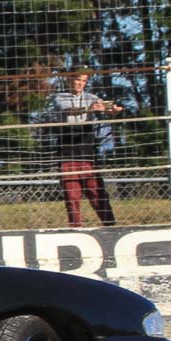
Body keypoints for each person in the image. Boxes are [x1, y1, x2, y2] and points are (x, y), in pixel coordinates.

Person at [50, 70, 122, 227]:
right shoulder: (59, 97)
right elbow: (67, 111)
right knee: (72, 196)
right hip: (67, 153)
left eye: (83, 81)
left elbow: (104, 107)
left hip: (88, 152)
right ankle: (76, 229)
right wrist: (88, 109)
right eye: (77, 80)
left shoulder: (91, 97)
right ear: (69, 80)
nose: (80, 84)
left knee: (97, 192)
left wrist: (112, 110)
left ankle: (110, 226)